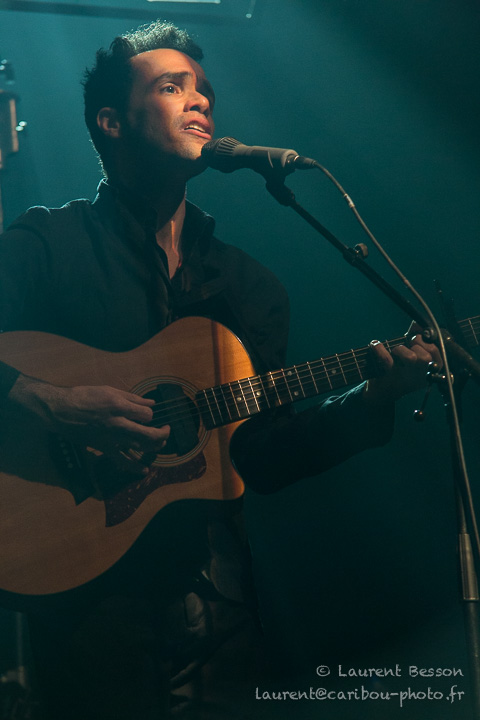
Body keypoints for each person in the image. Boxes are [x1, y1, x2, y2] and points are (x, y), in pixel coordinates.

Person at [0, 20, 440, 720]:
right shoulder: (45, 245)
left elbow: (263, 457)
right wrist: (51, 402)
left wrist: (370, 398)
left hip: (219, 605)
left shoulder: (248, 288)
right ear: (111, 122)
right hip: (86, 601)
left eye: (204, 89)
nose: (201, 99)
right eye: (172, 87)